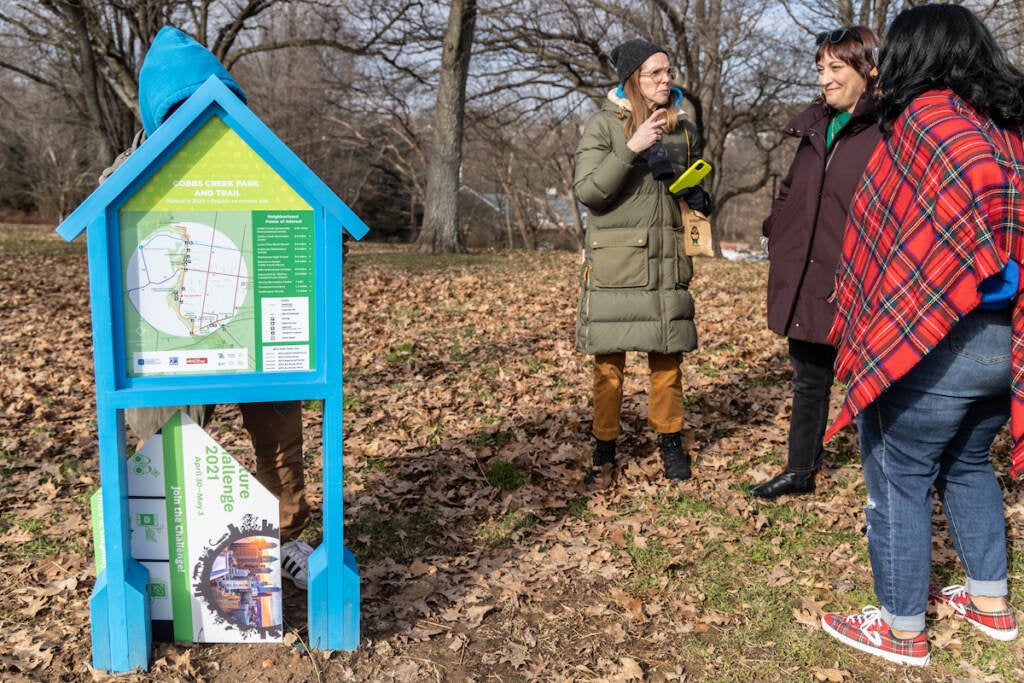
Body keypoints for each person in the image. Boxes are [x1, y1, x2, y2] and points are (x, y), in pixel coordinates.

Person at [821, 4, 1024, 666]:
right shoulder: (1003, 129)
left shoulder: (922, 126)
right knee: (968, 461)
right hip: (1006, 341)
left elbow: (891, 246)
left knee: (898, 476)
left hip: (936, 337)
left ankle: (902, 627)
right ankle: (991, 601)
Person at [123, 26, 314, 590]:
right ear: (159, 114)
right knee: (165, 436)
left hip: (253, 323)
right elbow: (107, 240)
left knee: (279, 429)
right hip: (168, 340)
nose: (198, 117)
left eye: (211, 104)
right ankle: (170, 548)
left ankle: (287, 535)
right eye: (182, 107)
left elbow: (312, 230)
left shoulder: (259, 157)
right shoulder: (130, 169)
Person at [750, 26, 881, 500]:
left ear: (868, 70)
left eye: (836, 68)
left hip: (855, 279)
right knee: (809, 378)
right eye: (820, 68)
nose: (824, 79)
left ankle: (885, 482)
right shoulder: (814, 127)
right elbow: (792, 189)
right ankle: (800, 470)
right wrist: (776, 230)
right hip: (805, 271)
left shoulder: (887, 130)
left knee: (873, 384)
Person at [574, 38, 711, 484]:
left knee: (668, 363)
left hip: (667, 261)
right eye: (655, 73)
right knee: (608, 368)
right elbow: (590, 193)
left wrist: (698, 198)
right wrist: (630, 147)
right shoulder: (602, 126)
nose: (665, 79)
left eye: (667, 72)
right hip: (616, 265)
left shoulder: (682, 128)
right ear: (632, 79)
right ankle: (604, 450)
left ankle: (670, 443)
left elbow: (684, 191)